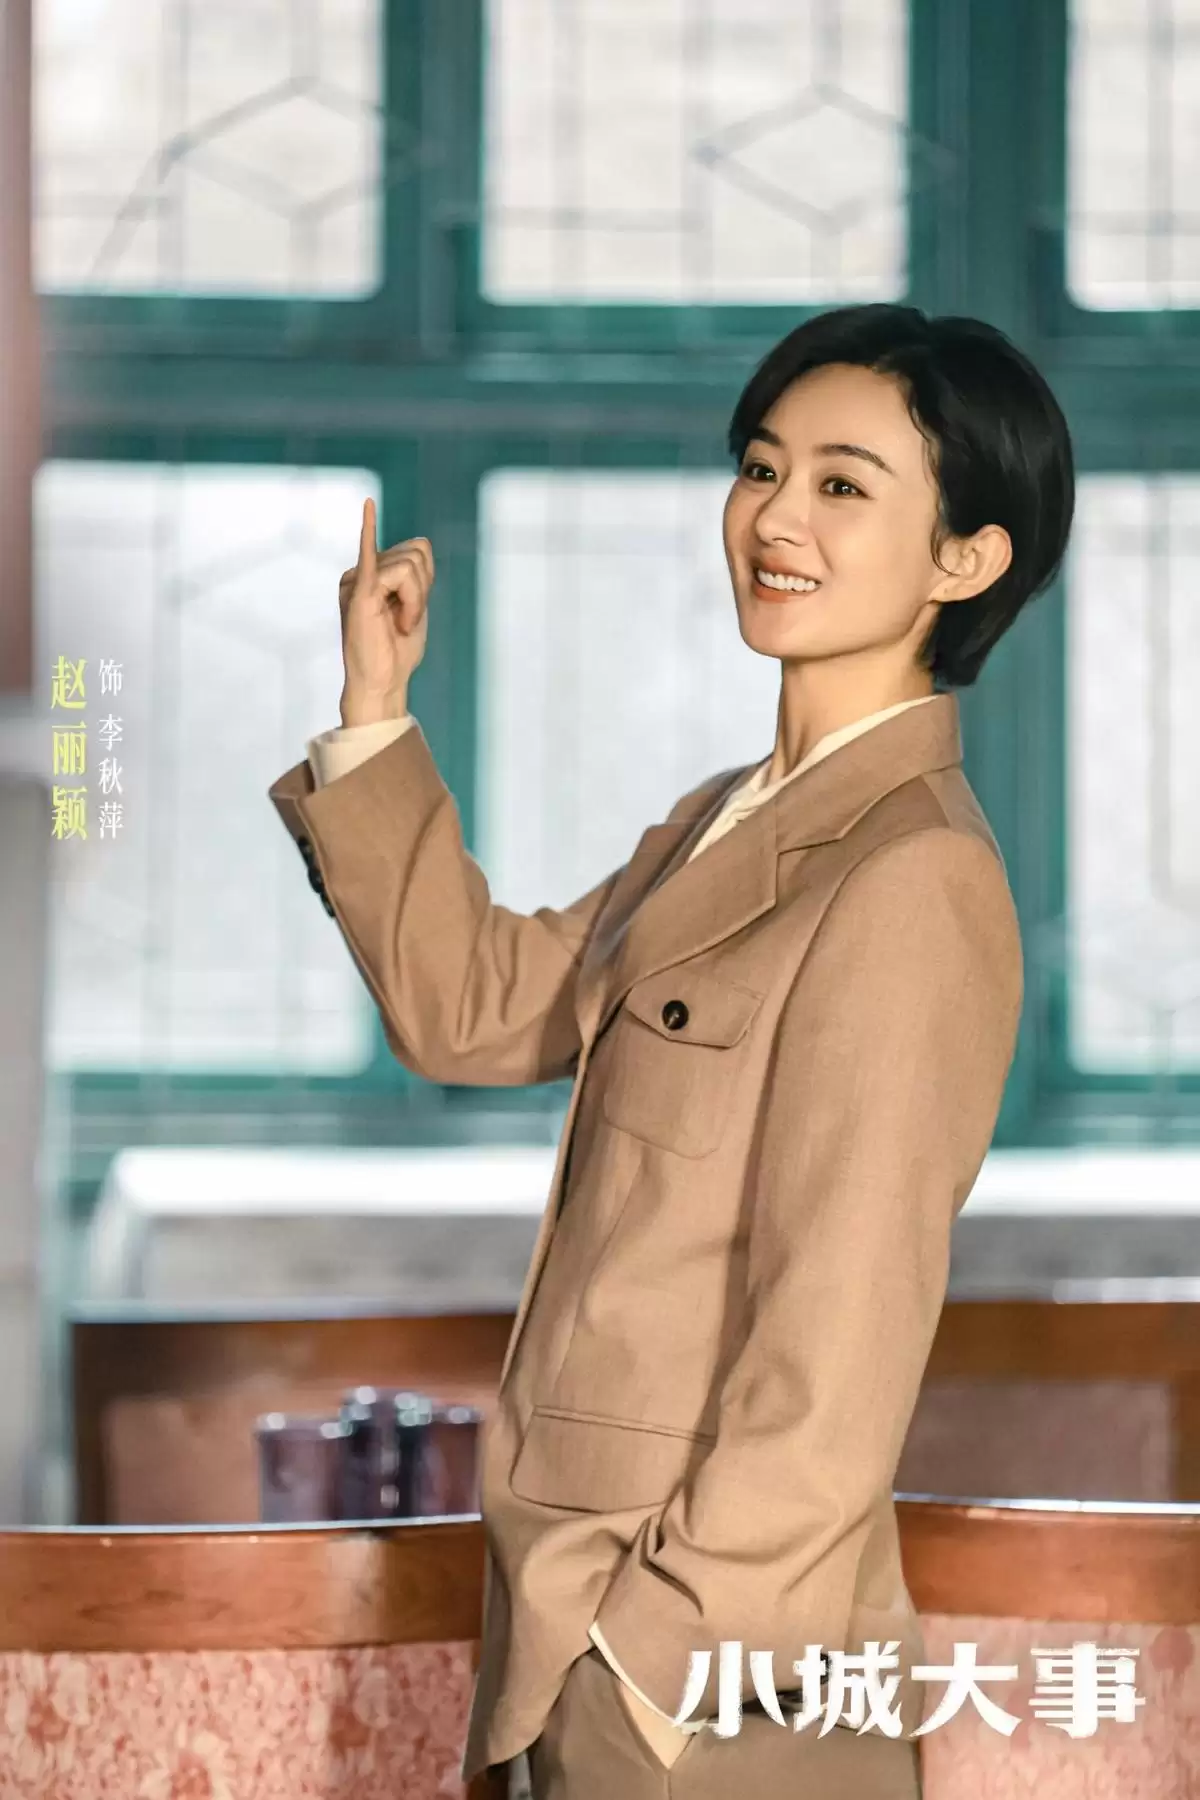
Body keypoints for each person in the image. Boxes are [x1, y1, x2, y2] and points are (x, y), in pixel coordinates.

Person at [268, 303, 1075, 1798]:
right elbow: (479, 1009)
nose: (776, 517)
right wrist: (375, 712)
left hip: (712, 1682)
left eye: (844, 485)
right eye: (761, 468)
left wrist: (648, 1658)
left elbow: (842, 1332)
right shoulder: (723, 820)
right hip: (573, 1628)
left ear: (965, 561)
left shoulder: (914, 873)